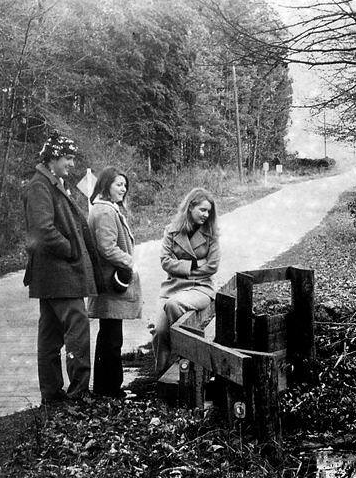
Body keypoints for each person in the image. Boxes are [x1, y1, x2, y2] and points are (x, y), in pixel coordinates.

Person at [23, 133, 100, 404]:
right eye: (67, 157)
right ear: (53, 158)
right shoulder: (40, 186)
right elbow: (43, 230)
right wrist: (72, 250)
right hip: (59, 274)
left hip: (53, 276)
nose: (71, 163)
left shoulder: (50, 182)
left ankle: (53, 396)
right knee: (76, 326)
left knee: (51, 335)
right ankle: (78, 393)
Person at [86, 167, 142, 398]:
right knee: (112, 339)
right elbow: (106, 247)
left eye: (125, 185)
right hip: (111, 283)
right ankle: (110, 390)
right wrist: (130, 262)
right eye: (118, 184)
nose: (123, 189)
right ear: (106, 185)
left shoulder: (104, 209)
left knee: (109, 336)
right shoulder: (106, 212)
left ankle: (106, 388)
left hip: (108, 283)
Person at [153, 187, 220, 373]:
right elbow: (165, 262)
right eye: (202, 210)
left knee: (174, 305)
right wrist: (195, 264)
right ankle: (162, 376)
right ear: (190, 207)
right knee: (159, 332)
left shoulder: (211, 234)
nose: (206, 215)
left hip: (200, 289)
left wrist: (182, 270)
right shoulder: (171, 231)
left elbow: (213, 266)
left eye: (209, 211)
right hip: (171, 288)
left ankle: (187, 364)